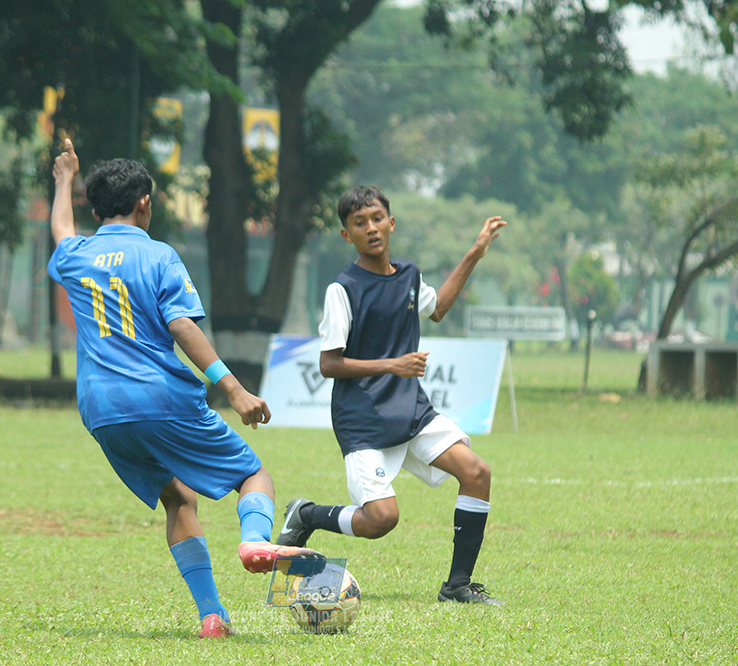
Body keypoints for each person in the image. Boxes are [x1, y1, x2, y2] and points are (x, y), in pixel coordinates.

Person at [48, 138, 322, 639]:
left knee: (179, 499)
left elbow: (62, 229)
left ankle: (212, 617)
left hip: (102, 410)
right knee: (254, 476)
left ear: (96, 205)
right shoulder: (159, 256)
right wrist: (235, 390)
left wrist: (64, 179)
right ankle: (255, 543)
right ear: (144, 203)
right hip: (160, 397)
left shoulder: (77, 255)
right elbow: (183, 327)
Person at [276, 185, 507, 605]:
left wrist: (474, 252)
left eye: (377, 219)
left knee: (477, 472)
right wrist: (393, 365)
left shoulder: (408, 276)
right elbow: (329, 363)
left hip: (411, 411)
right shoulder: (341, 289)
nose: (371, 228)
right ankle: (306, 514)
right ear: (347, 235)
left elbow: (437, 309)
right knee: (381, 520)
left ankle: (457, 586)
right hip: (362, 420)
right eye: (359, 223)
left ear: (391, 222)